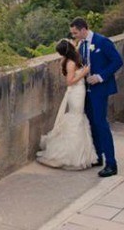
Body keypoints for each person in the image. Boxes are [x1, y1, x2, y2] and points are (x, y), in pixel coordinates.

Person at [70, 17, 124, 178]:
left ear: (83, 29)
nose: (74, 36)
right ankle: (98, 156)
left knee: (101, 124)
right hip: (86, 90)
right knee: (92, 122)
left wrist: (100, 77)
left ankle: (111, 163)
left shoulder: (103, 42)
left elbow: (117, 61)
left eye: (75, 33)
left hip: (100, 89)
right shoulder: (81, 44)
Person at [36, 39, 99, 171]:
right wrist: (83, 73)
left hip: (79, 91)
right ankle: (71, 155)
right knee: (75, 118)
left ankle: (79, 154)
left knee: (78, 118)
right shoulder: (70, 63)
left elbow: (75, 44)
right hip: (75, 92)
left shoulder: (73, 58)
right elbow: (70, 82)